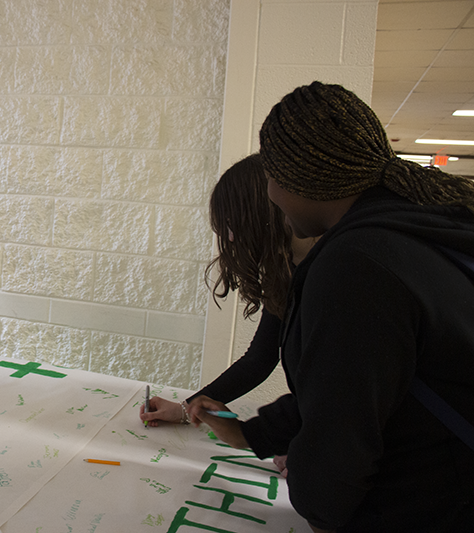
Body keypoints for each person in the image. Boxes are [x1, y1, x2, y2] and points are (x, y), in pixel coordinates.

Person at [191, 82, 474, 532]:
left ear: (299, 178)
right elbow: (345, 385)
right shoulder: (416, 232)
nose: (270, 194)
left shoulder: (356, 265)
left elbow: (340, 436)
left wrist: (311, 487)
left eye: (271, 179)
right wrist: (254, 434)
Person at [140, 154, 314, 450]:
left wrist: (253, 437)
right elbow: (259, 359)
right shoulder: (287, 269)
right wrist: (187, 408)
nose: (231, 240)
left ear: (262, 214)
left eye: (233, 225)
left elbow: (337, 396)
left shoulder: (332, 273)